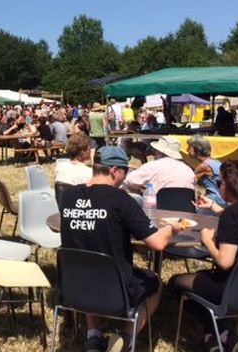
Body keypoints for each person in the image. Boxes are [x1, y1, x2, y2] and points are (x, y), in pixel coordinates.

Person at [59, 146, 183, 352]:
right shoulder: (120, 200)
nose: (125, 178)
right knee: (156, 282)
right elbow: (158, 243)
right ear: (114, 170)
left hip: (73, 287)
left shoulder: (69, 197)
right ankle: (126, 338)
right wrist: (173, 228)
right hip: (115, 290)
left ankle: (93, 336)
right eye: (125, 171)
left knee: (90, 263)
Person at [170, 160, 238, 352]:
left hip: (233, 289)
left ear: (231, 186)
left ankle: (220, 332)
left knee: (174, 283)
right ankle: (213, 337)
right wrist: (215, 208)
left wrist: (208, 241)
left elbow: (224, 261)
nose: (218, 185)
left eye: (220, 182)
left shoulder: (233, 215)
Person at [124, 136, 195, 195]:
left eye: (156, 150)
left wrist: (140, 194)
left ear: (160, 152)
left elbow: (129, 180)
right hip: (185, 210)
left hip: (157, 209)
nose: (154, 152)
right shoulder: (188, 170)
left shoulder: (152, 166)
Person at [186, 135, 225, 212]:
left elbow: (188, 180)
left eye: (189, 147)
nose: (187, 150)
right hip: (222, 200)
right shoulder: (215, 161)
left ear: (196, 149)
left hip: (214, 200)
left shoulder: (204, 166)